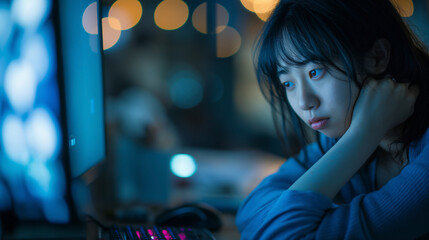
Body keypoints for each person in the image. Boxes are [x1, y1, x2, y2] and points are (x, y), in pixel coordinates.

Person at [235, 0, 429, 239]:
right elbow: (250, 212)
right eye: (288, 84)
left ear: (378, 57)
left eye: (315, 72)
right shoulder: (341, 141)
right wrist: (364, 133)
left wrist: (363, 134)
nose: (304, 102)